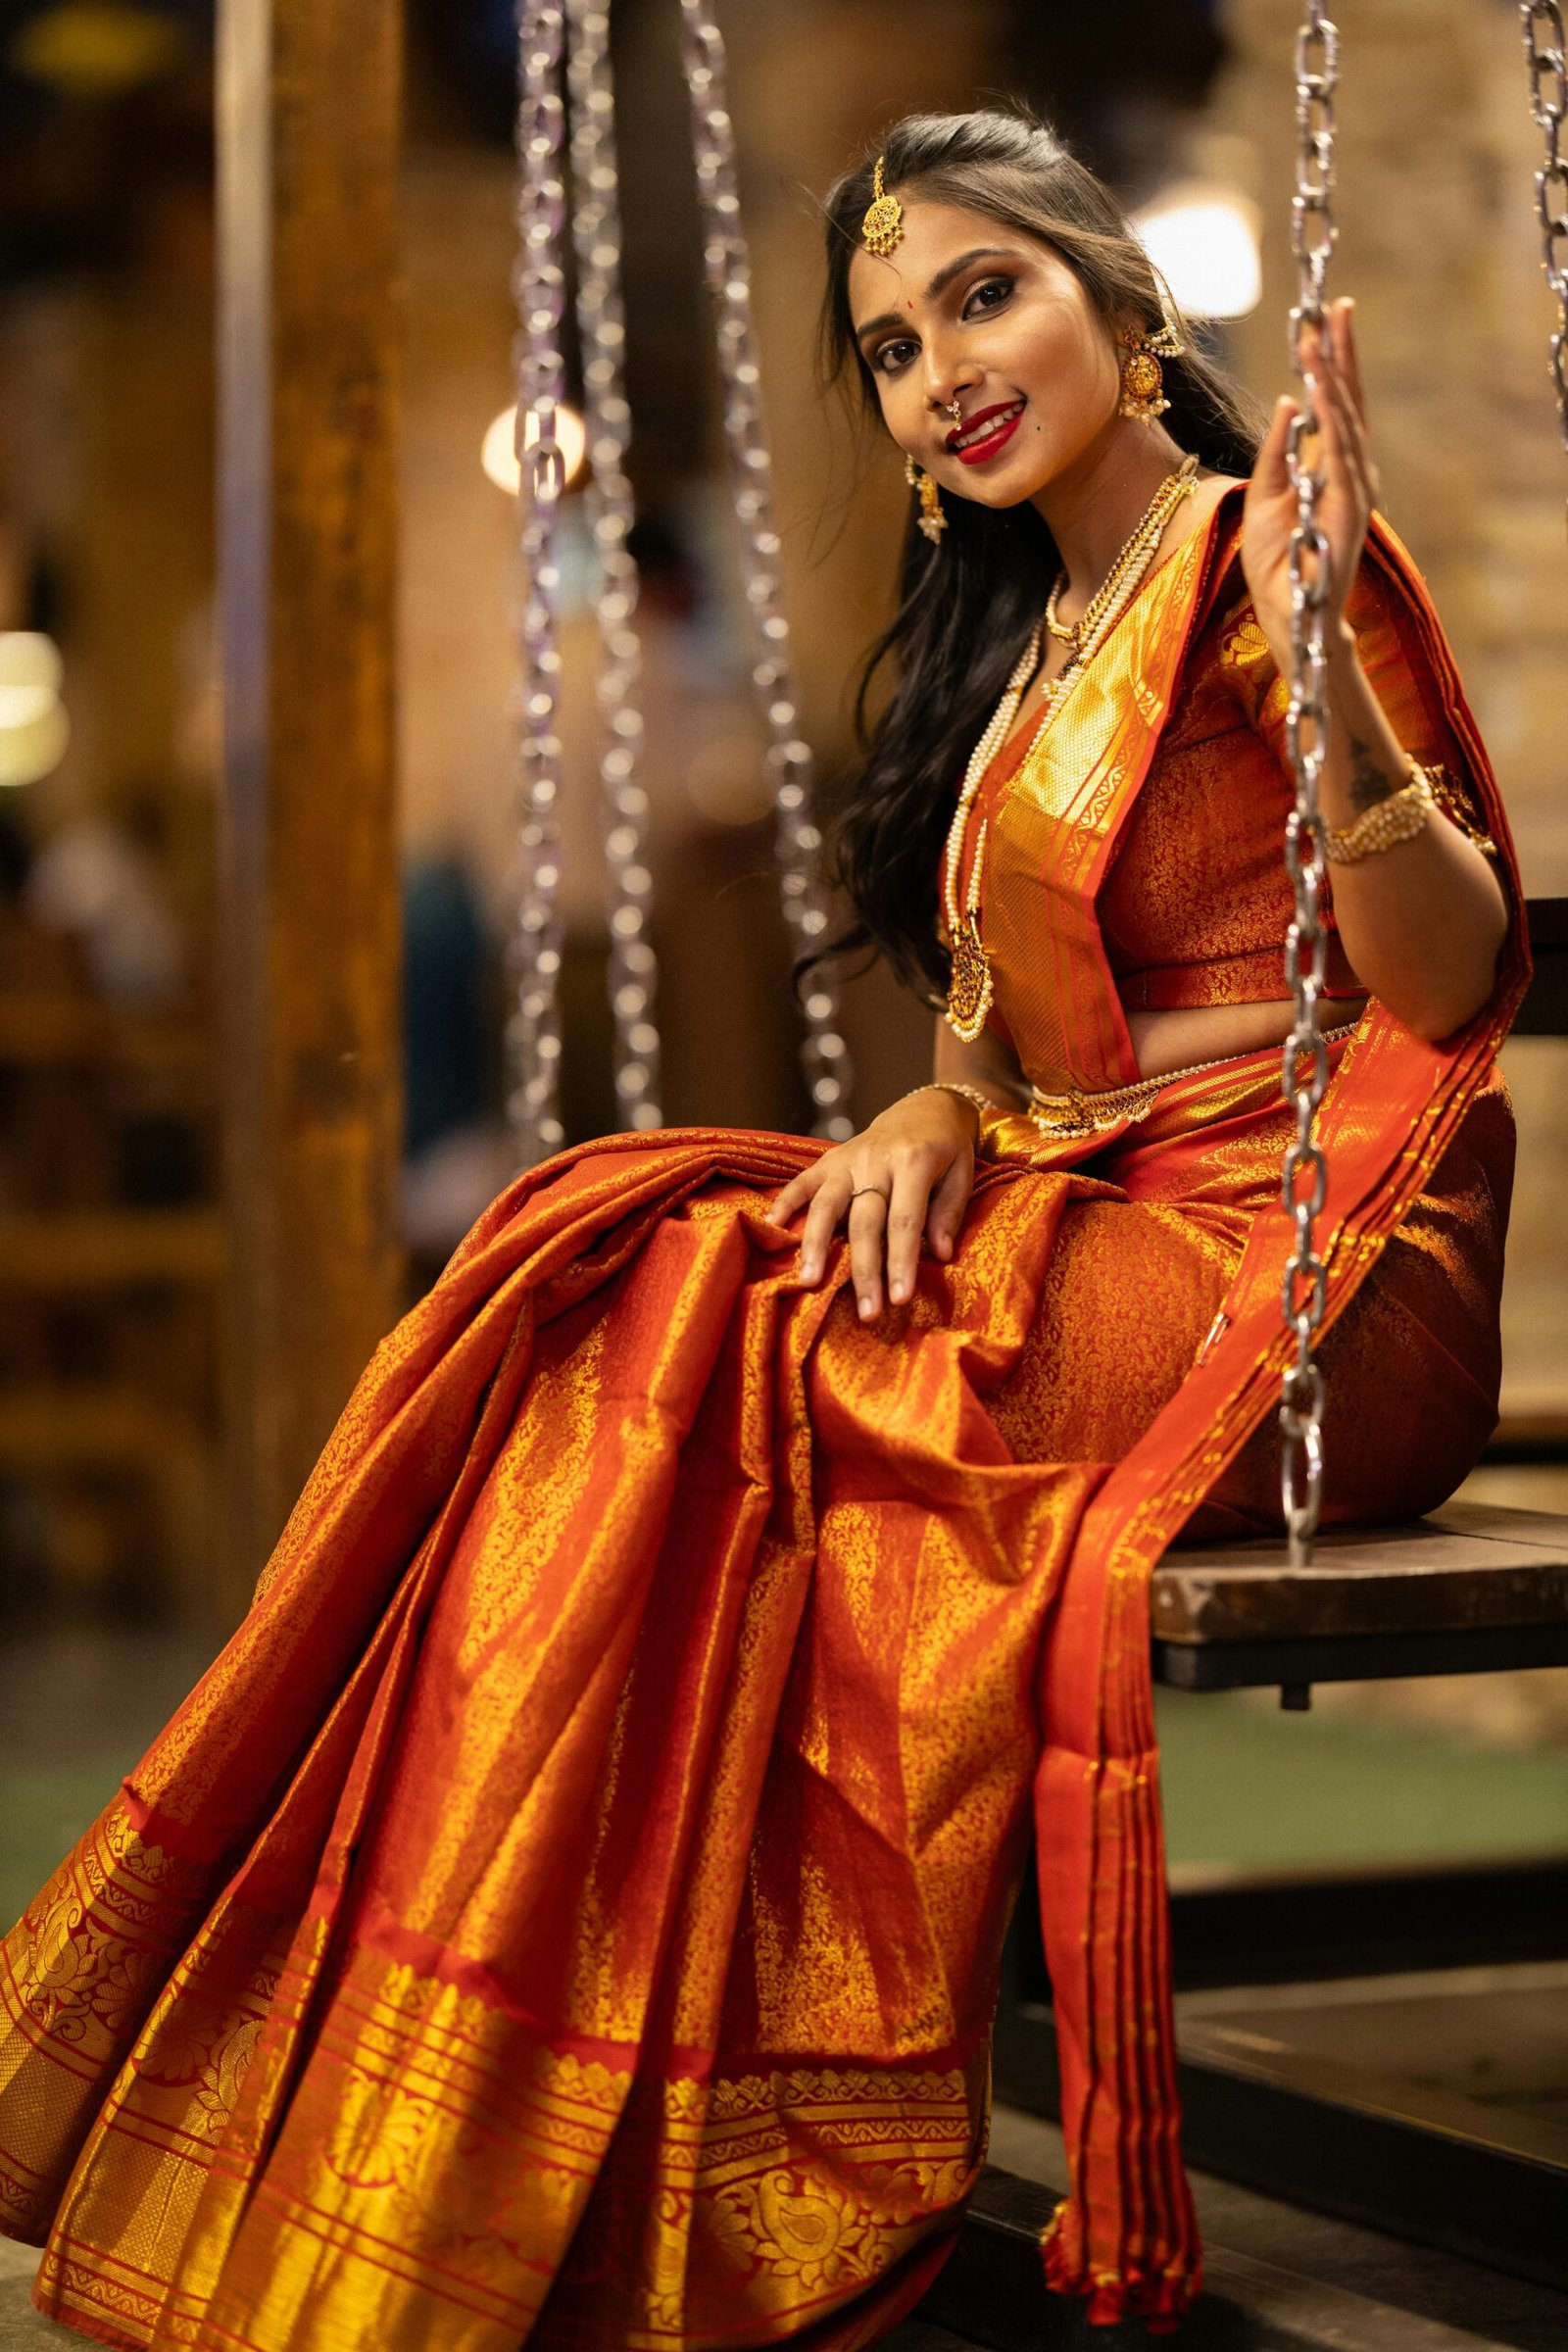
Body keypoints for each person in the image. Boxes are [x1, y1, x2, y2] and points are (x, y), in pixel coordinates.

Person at [0, 108, 1519, 2349]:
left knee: (684, 1292)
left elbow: (1446, 986)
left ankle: (614, 2116)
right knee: (598, 1260)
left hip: (1299, 1283)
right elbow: (1011, 1035)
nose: (942, 370)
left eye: (983, 295)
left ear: (1120, 301)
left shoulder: (1263, 559)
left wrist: (1321, 678)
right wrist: (929, 1109)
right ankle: (452, 2104)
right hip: (1078, 1223)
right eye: (892, 346)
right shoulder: (1032, 639)